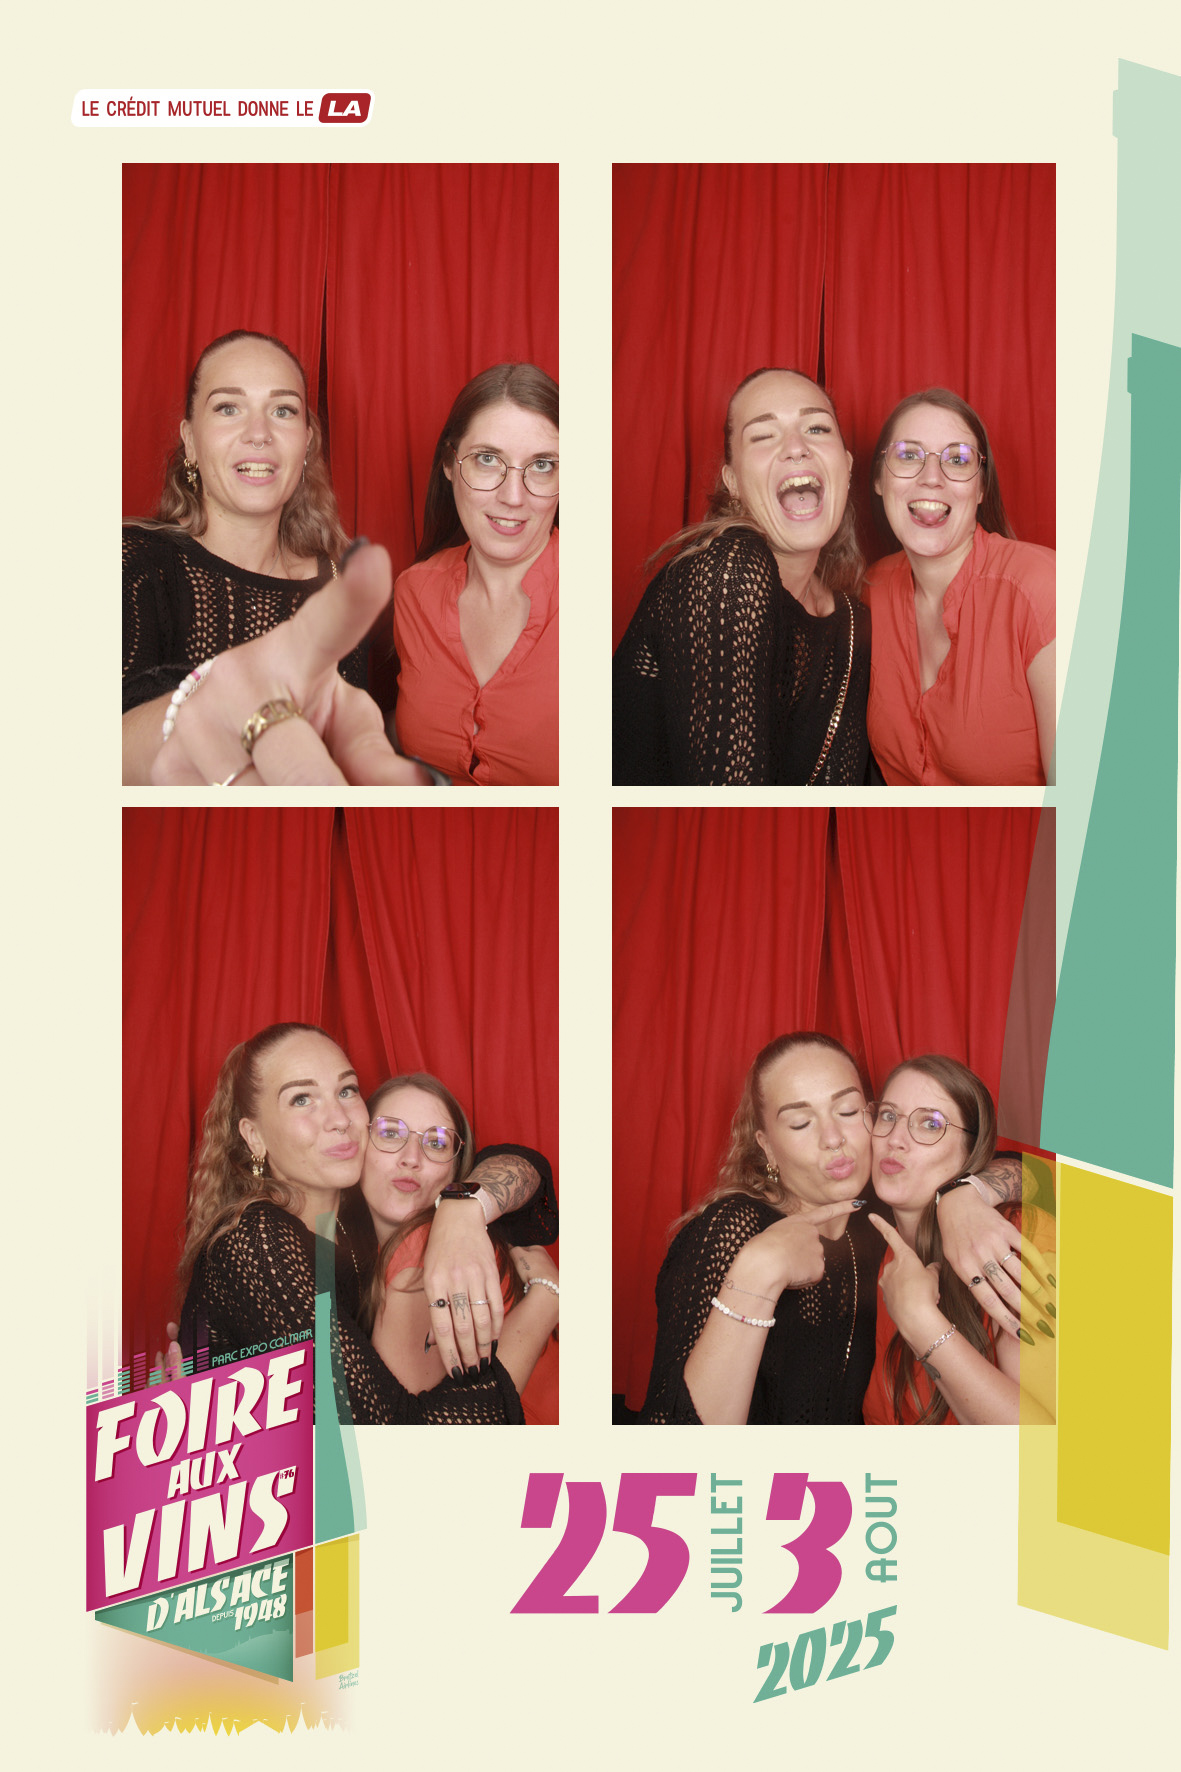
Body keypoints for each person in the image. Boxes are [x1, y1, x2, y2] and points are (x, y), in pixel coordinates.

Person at [177, 1023, 552, 1424]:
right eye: (302, 1099)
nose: (338, 1118)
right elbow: (389, 1442)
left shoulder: (354, 1215)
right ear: (254, 1137)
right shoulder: (258, 1242)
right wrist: (546, 1303)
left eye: (346, 1090)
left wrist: (462, 1208)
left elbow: (525, 1169)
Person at [123, 330, 430, 787]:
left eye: (282, 410)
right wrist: (200, 710)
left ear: (306, 441)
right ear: (190, 440)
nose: (259, 434)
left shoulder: (337, 584)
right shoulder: (131, 562)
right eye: (228, 408)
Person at [613, 368, 870, 785]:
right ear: (732, 483)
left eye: (817, 428)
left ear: (847, 464)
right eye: (764, 435)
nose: (796, 448)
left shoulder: (854, 622)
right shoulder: (727, 569)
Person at [639, 1034, 881, 1424]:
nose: (833, 1138)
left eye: (848, 1111)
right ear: (767, 1147)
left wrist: (970, 1193)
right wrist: (759, 1269)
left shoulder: (879, 1217)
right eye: (801, 1123)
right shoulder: (728, 1231)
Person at [865, 388, 1055, 785]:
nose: (931, 478)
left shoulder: (1043, 590)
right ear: (879, 479)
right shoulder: (869, 592)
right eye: (908, 455)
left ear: (981, 488)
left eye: (957, 459)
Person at [350, 1073, 558, 1418]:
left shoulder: (419, 1248)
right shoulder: (354, 1244)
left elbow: (415, 1441)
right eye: (390, 1133)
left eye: (436, 1143)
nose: (411, 1158)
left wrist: (462, 1205)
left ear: (456, 1169)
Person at [862, 1055, 1055, 1424]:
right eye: (888, 1116)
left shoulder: (1014, 1242)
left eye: (930, 1124)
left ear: (971, 1151)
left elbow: (1048, 1451)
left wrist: (919, 1319)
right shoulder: (879, 1248)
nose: (895, 1140)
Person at [391, 364, 559, 785]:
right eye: (487, 459)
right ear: (449, 464)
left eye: (542, 465)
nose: (513, 497)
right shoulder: (414, 592)